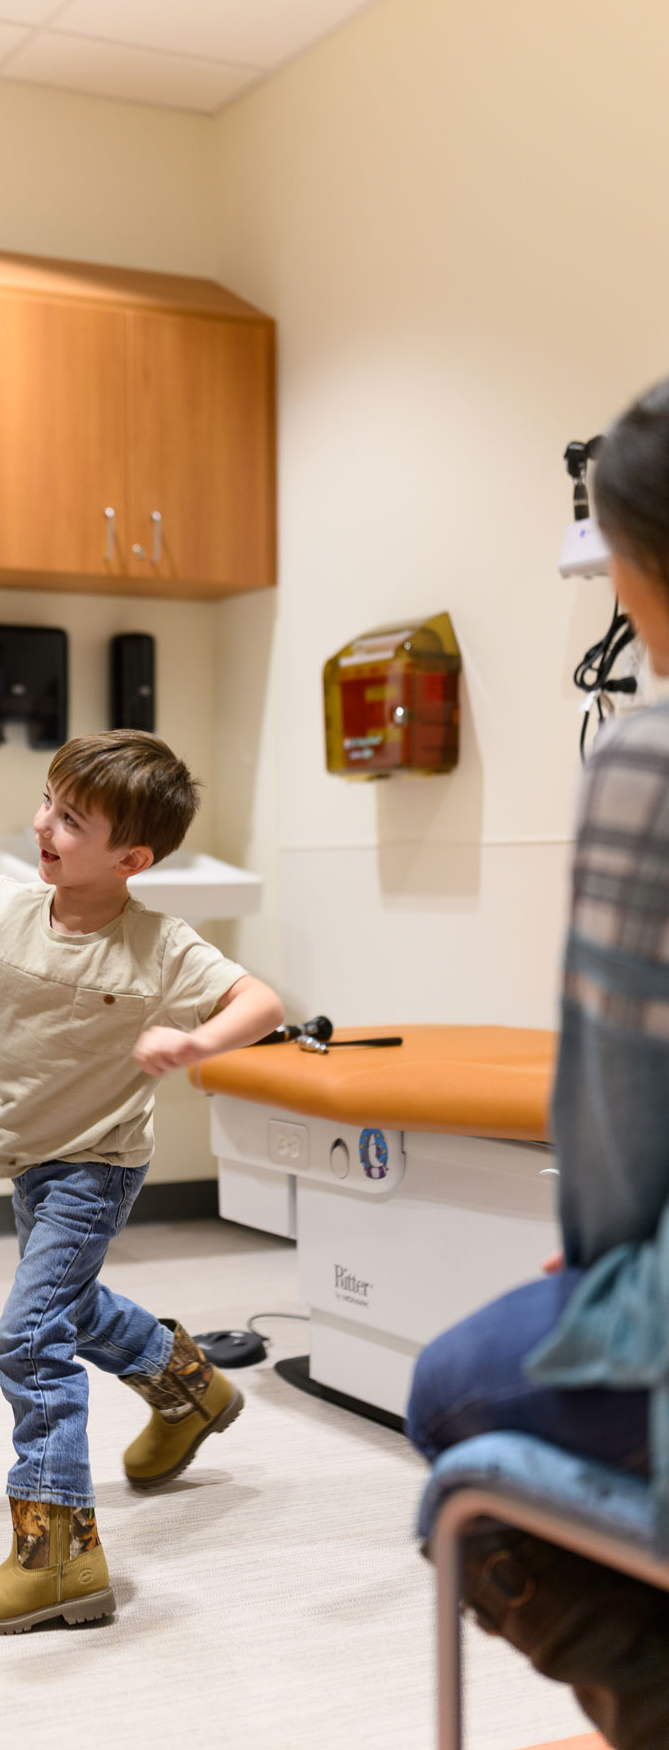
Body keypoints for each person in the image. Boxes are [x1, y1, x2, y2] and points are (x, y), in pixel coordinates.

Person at [0, 726, 283, 1634]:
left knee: (29, 1341)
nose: (44, 824)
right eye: (48, 802)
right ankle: (188, 1384)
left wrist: (194, 1042)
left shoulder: (160, 945)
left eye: (71, 819)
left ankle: (62, 1557)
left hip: (98, 1167)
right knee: (67, 1309)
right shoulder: (1, 907)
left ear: (132, 858)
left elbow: (261, 1003)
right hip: (31, 1162)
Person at [406, 379, 669, 1749]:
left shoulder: (649, 756)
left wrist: (601, 1266)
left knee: (451, 1396)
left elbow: (617, 1130)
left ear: (628, 562)